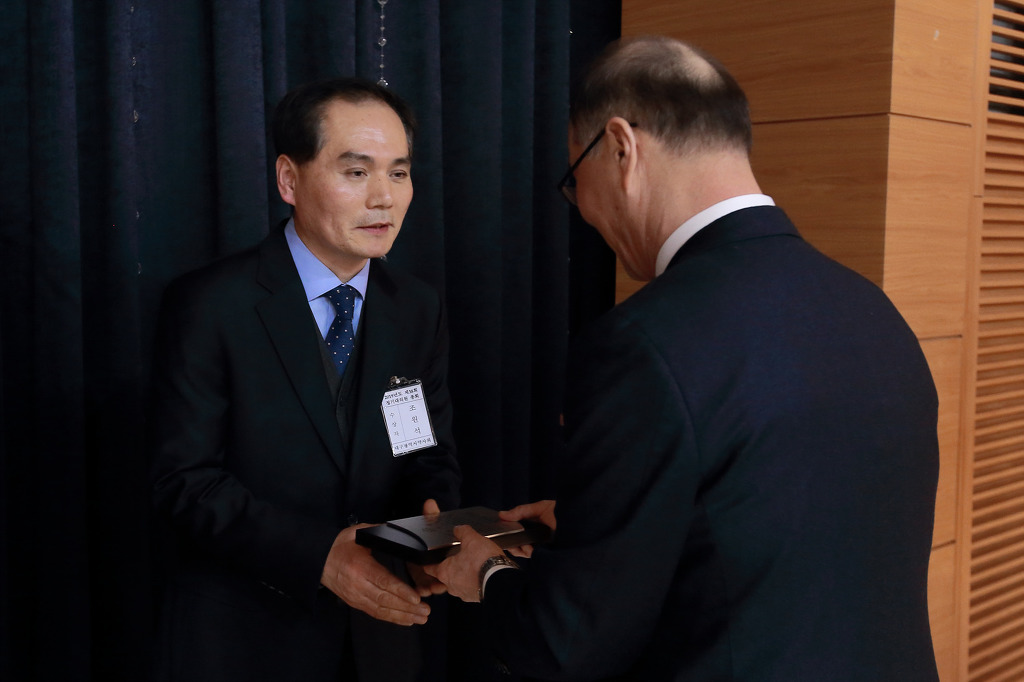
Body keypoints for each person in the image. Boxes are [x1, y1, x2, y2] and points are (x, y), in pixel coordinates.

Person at [425, 35, 940, 681]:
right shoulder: (874, 311)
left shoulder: (640, 344)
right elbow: (798, 529)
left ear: (621, 148)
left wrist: (486, 572)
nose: (584, 211)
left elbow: (565, 642)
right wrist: (610, 527)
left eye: (574, 181)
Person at [149, 77, 461, 682]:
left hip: (381, 632)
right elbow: (183, 481)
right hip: (244, 636)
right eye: (356, 172)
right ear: (289, 179)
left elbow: (424, 448)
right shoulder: (209, 305)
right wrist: (321, 556)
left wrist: (435, 532)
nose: (384, 198)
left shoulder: (417, 308)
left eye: (399, 173)